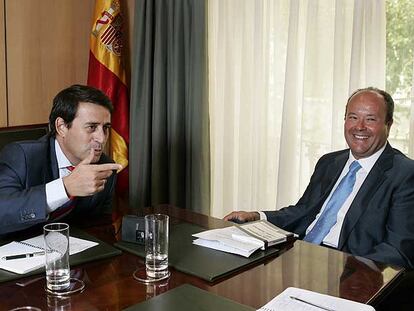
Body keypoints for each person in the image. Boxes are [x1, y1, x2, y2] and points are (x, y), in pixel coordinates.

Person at [224, 87, 414, 269]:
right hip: (299, 255)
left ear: (388, 124)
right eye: (353, 117)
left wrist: (349, 273)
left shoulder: (405, 173)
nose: (359, 127)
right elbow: (303, 211)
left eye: (370, 119)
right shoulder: (329, 162)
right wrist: (258, 217)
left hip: (348, 270)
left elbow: (398, 249)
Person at [0, 84, 122, 235]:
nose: (101, 138)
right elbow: (2, 211)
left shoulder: (104, 167)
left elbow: (102, 228)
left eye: (106, 128)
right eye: (91, 127)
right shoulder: (22, 155)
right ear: (62, 127)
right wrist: (65, 188)